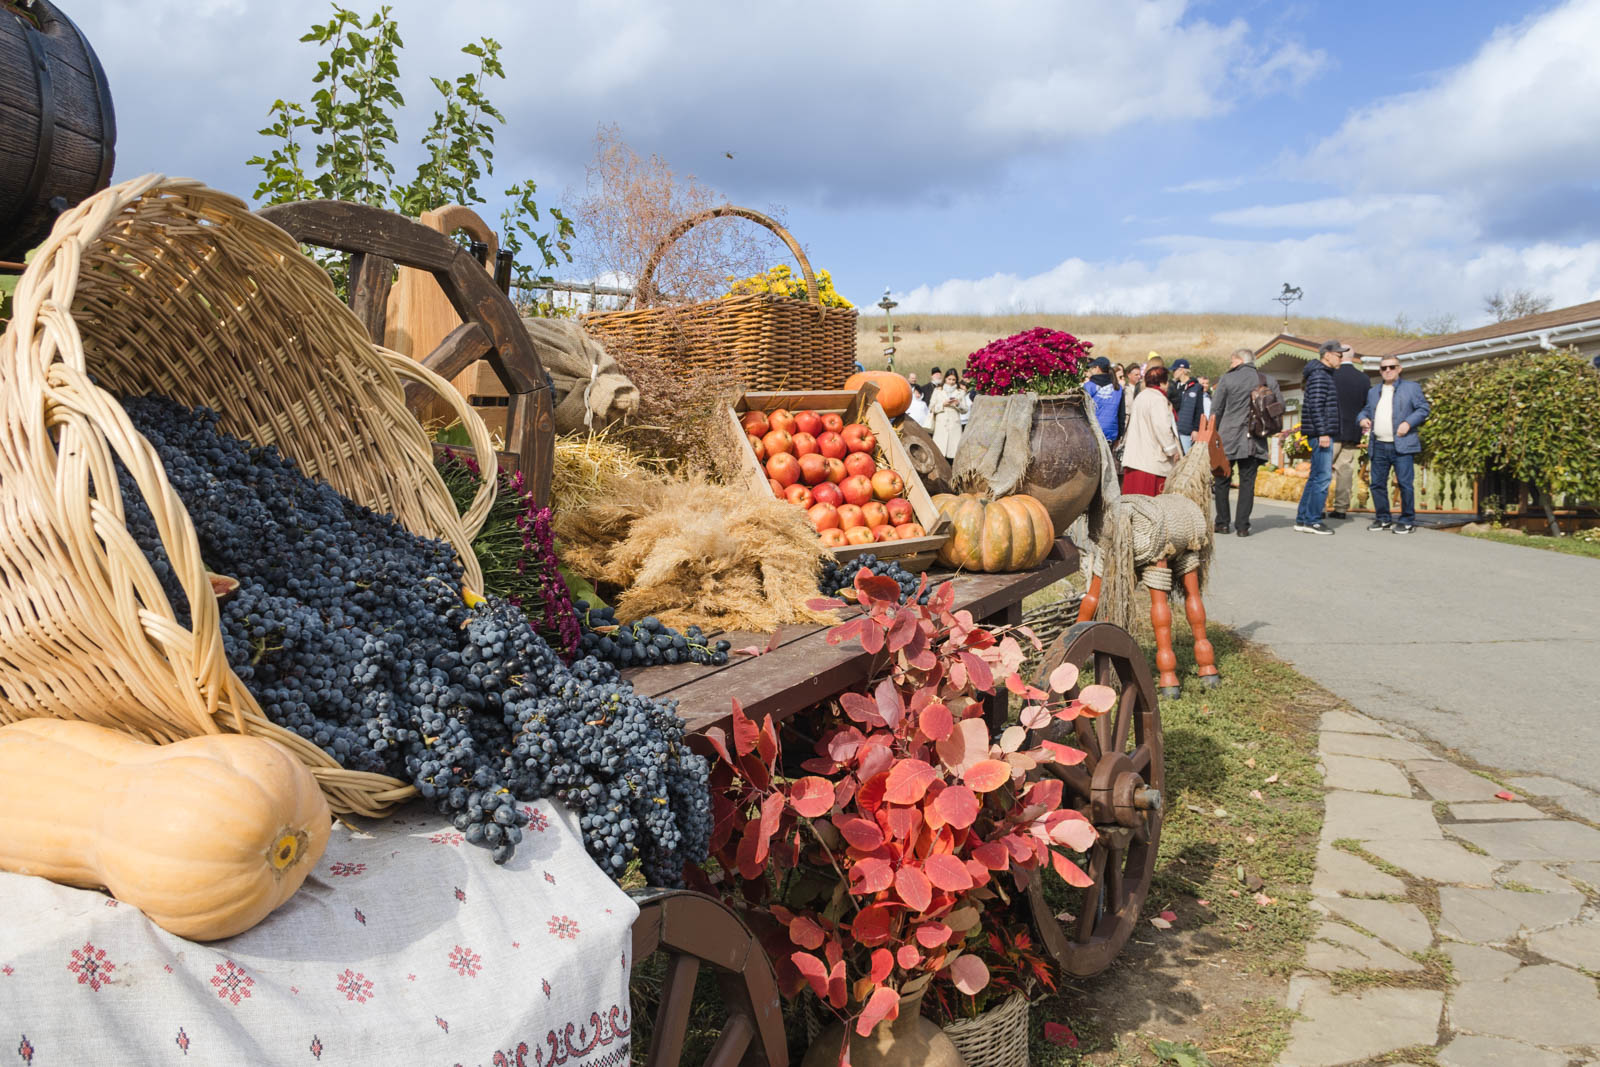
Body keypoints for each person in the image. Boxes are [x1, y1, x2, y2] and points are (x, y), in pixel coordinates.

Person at [1210, 347, 1281, 536]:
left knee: (1222, 479)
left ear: (1239, 360)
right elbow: (1279, 407)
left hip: (1228, 437)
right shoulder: (1268, 380)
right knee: (1247, 482)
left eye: (1232, 361)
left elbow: (1216, 409)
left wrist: (1212, 433)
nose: (1230, 364)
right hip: (1255, 438)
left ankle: (1222, 523)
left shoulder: (1227, 379)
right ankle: (1242, 526)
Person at [1358, 357, 1430, 533]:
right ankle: (1383, 519)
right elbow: (1365, 410)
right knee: (1377, 484)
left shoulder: (1411, 388)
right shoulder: (1373, 391)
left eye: (1392, 367)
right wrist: (1362, 418)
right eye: (1384, 368)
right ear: (1380, 371)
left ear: (1399, 369)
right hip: (1379, 445)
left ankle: (1407, 520)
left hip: (1402, 445)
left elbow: (1423, 409)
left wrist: (1408, 423)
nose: (1388, 370)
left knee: (1405, 484)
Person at [1294, 341, 1345, 535]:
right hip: (1320, 434)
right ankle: (1313, 520)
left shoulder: (1321, 374)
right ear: (1327, 355)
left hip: (1318, 432)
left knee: (1315, 477)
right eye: (1339, 355)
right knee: (1323, 477)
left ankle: (1303, 519)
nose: (1341, 359)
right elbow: (1315, 405)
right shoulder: (1320, 375)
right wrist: (1323, 432)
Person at [1121, 365, 1181, 495]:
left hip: (1136, 459)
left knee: (1132, 501)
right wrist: (1172, 450)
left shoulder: (1141, 396)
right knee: (1150, 503)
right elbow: (1162, 428)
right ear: (1162, 382)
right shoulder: (1158, 399)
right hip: (1151, 463)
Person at [1328, 347, 1370, 519]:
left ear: (1339, 355)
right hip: (1352, 431)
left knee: (1324, 469)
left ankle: (1319, 507)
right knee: (1345, 470)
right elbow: (1366, 405)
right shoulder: (1363, 379)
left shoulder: (1331, 375)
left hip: (1331, 430)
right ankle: (1341, 508)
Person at [1083, 356, 1125, 446]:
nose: (1091, 370)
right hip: (1111, 434)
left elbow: (1083, 411)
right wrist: (1119, 435)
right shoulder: (1118, 388)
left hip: (1092, 432)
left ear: (1097, 368)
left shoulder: (1088, 386)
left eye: (1092, 368)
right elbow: (1121, 414)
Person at [1167, 358, 1205, 454]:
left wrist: (1196, 429)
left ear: (1182, 370)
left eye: (1175, 370)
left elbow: (1199, 410)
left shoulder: (1196, 387)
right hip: (1173, 430)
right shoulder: (1173, 387)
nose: (1173, 372)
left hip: (1187, 431)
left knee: (1186, 458)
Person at [930, 369, 970, 459]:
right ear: (945, 378)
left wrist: (958, 404)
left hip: (954, 426)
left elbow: (965, 410)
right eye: (949, 379)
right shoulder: (937, 391)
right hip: (941, 425)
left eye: (953, 380)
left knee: (954, 452)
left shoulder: (961, 392)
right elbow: (931, 408)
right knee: (939, 452)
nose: (951, 382)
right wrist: (943, 404)